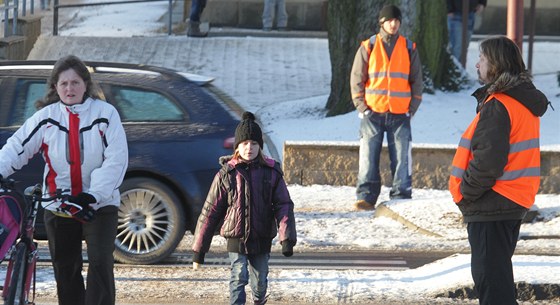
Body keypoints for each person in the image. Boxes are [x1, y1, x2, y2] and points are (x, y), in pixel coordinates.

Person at [0, 55, 128, 305]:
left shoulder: (105, 114)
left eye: (75, 82)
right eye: (64, 84)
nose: (70, 89)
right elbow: (17, 147)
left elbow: (116, 160)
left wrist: (92, 196)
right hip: (60, 204)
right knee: (65, 269)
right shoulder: (46, 118)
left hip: (99, 204)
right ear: (55, 87)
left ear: (86, 85)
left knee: (101, 264)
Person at [449, 36, 550, 305]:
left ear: (495, 63)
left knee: (492, 286)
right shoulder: (520, 101)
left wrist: (464, 192)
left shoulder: (500, 104)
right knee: (497, 280)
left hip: (492, 202)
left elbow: (487, 161)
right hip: (509, 200)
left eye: (481, 58)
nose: (477, 64)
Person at [191, 111, 297, 305]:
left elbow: (283, 205)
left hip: (262, 236)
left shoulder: (271, 173)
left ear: (260, 146)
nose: (249, 148)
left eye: (254, 143)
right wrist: (199, 249)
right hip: (236, 235)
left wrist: (287, 237)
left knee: (260, 282)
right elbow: (210, 211)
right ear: (237, 147)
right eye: (245, 143)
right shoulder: (227, 174)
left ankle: (259, 300)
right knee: (239, 274)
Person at [349, 4, 423, 211]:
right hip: (372, 112)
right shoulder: (368, 46)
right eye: (390, 20)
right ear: (382, 22)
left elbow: (417, 80)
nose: (394, 24)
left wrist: (412, 107)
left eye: (397, 21)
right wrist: (362, 107)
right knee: (368, 157)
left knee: (402, 158)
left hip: (400, 113)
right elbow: (357, 78)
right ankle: (365, 197)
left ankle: (401, 195)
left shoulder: (409, 47)